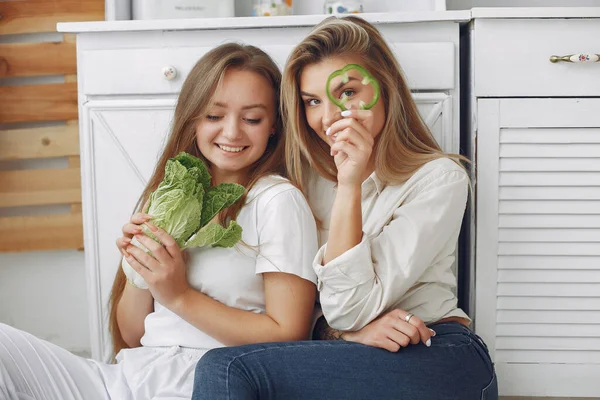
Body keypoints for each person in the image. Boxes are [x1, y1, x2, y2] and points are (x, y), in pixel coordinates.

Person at [192, 16, 498, 400]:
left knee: (227, 367)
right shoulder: (302, 184)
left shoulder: (439, 179)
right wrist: (345, 334)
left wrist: (350, 184)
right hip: (349, 351)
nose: (329, 116)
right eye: (313, 102)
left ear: (384, 88)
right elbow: (317, 315)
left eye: (348, 92)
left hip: (437, 352)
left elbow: (348, 308)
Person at [0, 43, 318, 400]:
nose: (231, 133)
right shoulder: (173, 192)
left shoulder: (276, 200)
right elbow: (134, 335)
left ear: (274, 125)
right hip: (129, 377)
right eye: (214, 116)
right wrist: (139, 269)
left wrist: (179, 296)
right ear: (193, 118)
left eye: (252, 119)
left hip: (203, 382)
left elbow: (289, 336)